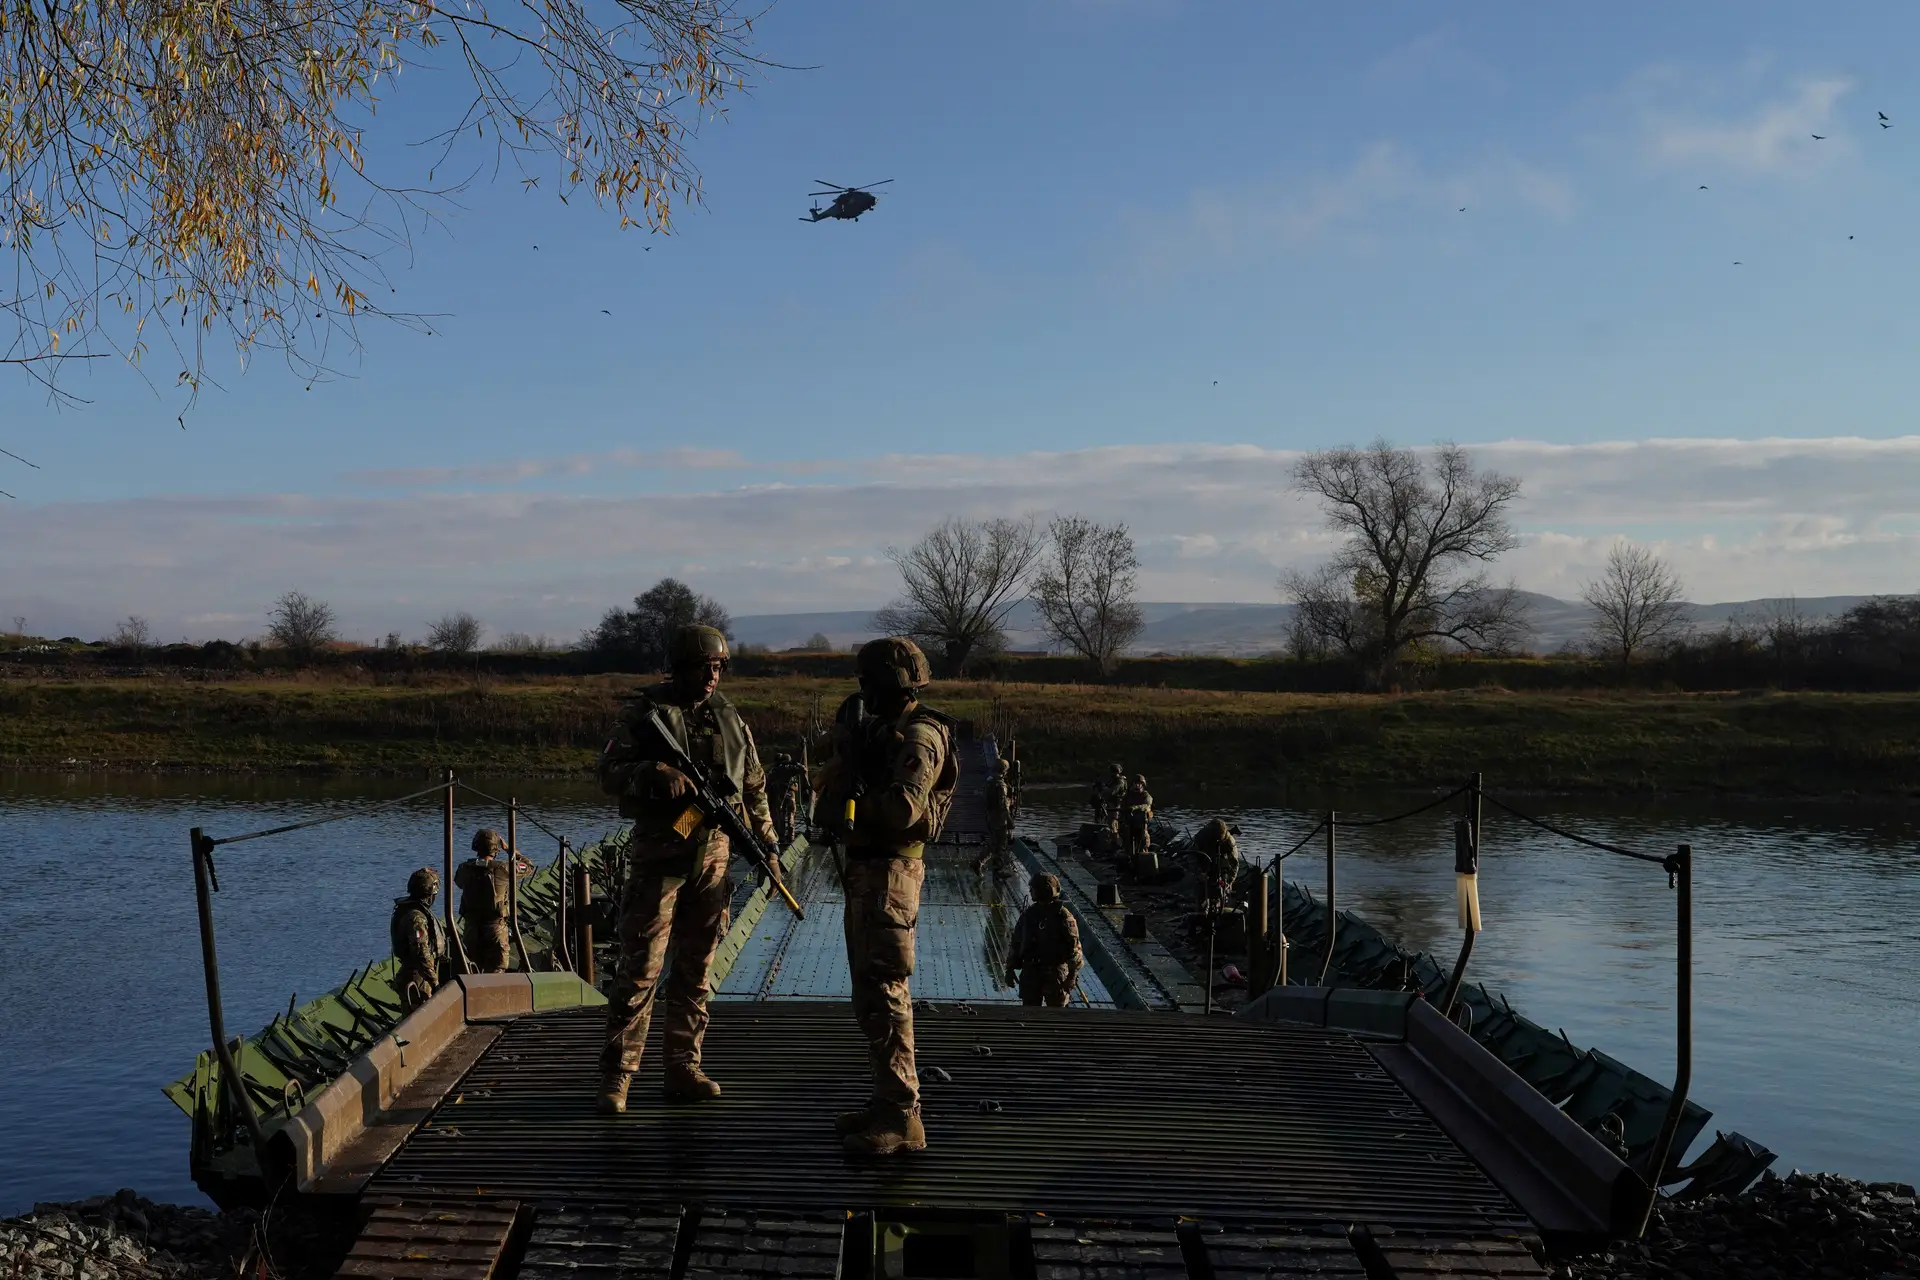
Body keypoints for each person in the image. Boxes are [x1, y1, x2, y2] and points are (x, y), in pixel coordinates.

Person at [595, 624, 780, 1113]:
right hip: (660, 855)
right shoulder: (643, 715)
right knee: (641, 968)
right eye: (705, 666)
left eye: (719, 667)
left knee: (697, 969)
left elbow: (755, 787)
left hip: (713, 857)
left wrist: (769, 844)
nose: (713, 676)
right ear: (680, 667)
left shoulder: (731, 720)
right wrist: (652, 774)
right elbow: (607, 772)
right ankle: (618, 1076)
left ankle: (683, 1066)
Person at [815, 636, 958, 1156]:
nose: (862, 691)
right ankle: (887, 1100)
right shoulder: (879, 728)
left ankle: (903, 1117)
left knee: (886, 989)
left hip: (893, 873)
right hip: (868, 869)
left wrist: (852, 795)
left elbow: (902, 809)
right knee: (869, 998)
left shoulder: (921, 735)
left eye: (869, 682)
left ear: (893, 683)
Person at [1004, 873, 1082, 1007]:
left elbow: (1074, 948)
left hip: (1055, 971)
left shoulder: (1063, 916)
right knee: (1030, 1011)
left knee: (1057, 1010)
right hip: (1031, 970)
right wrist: (1010, 968)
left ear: (1045, 890)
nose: (1030, 891)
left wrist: (1072, 976)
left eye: (1033, 888)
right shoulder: (1029, 915)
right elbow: (1016, 941)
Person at [453, 829, 514, 973]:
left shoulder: (464, 868)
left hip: (471, 929)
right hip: (496, 929)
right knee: (496, 973)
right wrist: (509, 850)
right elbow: (528, 865)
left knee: (472, 970)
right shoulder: (504, 869)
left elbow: (458, 882)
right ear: (496, 848)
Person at [390, 867, 445, 1011]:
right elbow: (421, 952)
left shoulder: (414, 912)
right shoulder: (416, 918)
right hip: (418, 977)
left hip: (418, 974)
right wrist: (435, 981)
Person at [973, 756, 1013, 877]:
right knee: (1000, 843)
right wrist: (1010, 819)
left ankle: (979, 862)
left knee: (994, 842)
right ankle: (997, 869)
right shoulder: (1000, 785)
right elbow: (1003, 805)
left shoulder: (989, 782)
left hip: (990, 816)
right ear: (1004, 771)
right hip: (999, 817)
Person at [1192, 818, 1240, 911]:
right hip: (1204, 860)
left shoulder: (1229, 841)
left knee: (1222, 888)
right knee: (1200, 890)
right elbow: (1192, 857)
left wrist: (1230, 881)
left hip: (1220, 864)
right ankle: (1200, 908)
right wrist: (1198, 872)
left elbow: (1234, 864)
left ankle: (1220, 905)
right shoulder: (1200, 837)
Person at [767, 752, 809, 848]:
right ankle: (791, 837)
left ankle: (781, 837)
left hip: (780, 796)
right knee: (791, 816)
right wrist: (796, 763)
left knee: (781, 816)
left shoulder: (775, 769)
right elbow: (804, 769)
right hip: (790, 796)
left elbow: (769, 781)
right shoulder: (790, 768)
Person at [1120, 774, 1154, 864]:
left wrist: (1135, 808)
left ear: (1143, 785)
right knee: (1127, 842)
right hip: (1129, 822)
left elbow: (1146, 805)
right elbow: (1122, 807)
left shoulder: (1146, 795)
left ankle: (1143, 861)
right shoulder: (1127, 795)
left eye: (1140, 783)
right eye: (1136, 783)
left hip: (1141, 823)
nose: (1138, 785)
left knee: (1143, 841)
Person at [1089, 762, 1125, 833]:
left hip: (1116, 805)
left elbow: (1112, 791)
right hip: (1109, 804)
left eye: (1114, 772)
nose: (1112, 774)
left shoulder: (1120, 781)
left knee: (1113, 822)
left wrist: (1103, 787)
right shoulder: (1112, 780)